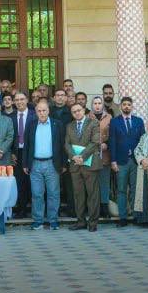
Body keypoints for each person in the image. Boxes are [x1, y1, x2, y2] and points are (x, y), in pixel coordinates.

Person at [25, 100, 64, 231]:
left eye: (44, 110)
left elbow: (62, 145)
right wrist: (26, 163)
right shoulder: (31, 125)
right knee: (37, 194)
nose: (41, 113)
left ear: (48, 111)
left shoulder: (57, 124)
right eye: (39, 111)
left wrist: (63, 164)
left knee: (53, 193)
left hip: (52, 163)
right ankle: (38, 221)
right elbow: (27, 145)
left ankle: (53, 220)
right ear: (36, 112)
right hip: (35, 164)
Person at [64, 102, 102, 232]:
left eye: (79, 110)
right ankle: (80, 221)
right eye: (74, 112)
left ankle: (93, 223)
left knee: (92, 194)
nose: (77, 113)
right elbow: (67, 144)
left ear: (84, 110)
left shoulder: (93, 123)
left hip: (90, 164)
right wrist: (74, 156)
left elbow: (95, 142)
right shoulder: (69, 126)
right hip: (75, 165)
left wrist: (82, 156)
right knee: (78, 195)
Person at [108, 96, 145, 227]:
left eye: (129, 104)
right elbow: (111, 142)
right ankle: (122, 217)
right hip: (120, 161)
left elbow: (143, 141)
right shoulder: (114, 122)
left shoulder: (139, 121)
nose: (126, 107)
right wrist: (113, 161)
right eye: (124, 104)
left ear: (132, 106)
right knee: (121, 190)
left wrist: (142, 159)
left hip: (136, 161)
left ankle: (136, 216)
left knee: (135, 189)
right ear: (121, 106)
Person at [10, 91, 36, 217]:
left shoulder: (34, 115)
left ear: (26, 100)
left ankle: (35, 210)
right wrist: (11, 153)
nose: (19, 102)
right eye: (17, 100)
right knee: (20, 182)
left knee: (33, 181)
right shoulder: (11, 117)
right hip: (17, 154)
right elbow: (8, 137)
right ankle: (22, 210)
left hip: (32, 153)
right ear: (14, 102)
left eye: (22, 99)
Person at [91, 96, 114, 218]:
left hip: (105, 156)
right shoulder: (87, 117)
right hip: (92, 156)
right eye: (95, 103)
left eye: (99, 103)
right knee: (93, 184)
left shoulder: (109, 117)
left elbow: (113, 135)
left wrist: (107, 143)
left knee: (104, 183)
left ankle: (105, 208)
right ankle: (95, 209)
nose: (97, 105)